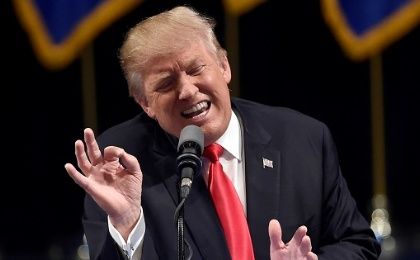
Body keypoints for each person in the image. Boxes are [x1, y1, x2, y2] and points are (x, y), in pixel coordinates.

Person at [64, 5, 381, 260]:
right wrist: (127, 224)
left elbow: (358, 244)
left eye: (196, 68)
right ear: (145, 103)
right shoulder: (118, 162)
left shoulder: (302, 138)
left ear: (224, 67)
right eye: (166, 83)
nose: (187, 90)